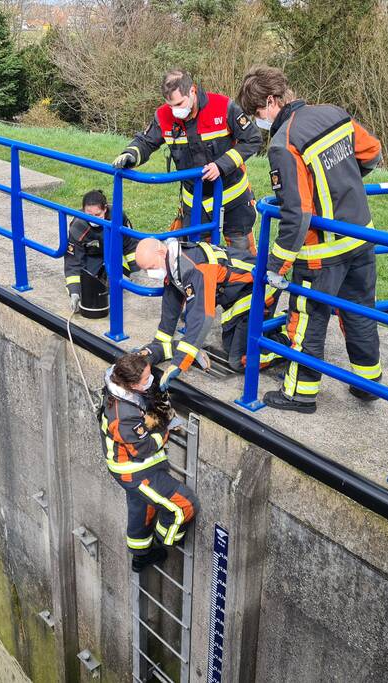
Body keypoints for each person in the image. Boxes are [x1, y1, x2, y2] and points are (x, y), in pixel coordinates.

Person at [235, 65, 383, 414]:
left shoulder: (284, 143)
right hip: (361, 236)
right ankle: (368, 382)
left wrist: (276, 265)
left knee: (307, 314)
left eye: (258, 113)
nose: (260, 120)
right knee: (360, 309)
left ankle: (299, 394)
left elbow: (296, 213)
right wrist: (342, 178)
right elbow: (372, 153)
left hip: (322, 249)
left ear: (270, 102)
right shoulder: (333, 114)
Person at [112, 69, 262, 252]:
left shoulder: (223, 106)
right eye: (170, 105)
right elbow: (145, 141)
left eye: (179, 103)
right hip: (195, 202)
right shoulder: (163, 116)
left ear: (192, 91)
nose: (175, 111)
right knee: (194, 256)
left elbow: (252, 138)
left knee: (243, 257)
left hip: (234, 198)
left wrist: (222, 165)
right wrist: (130, 155)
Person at [133, 237, 284, 389]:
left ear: (160, 252)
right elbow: (170, 310)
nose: (150, 274)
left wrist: (178, 363)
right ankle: (272, 327)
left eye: (151, 267)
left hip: (260, 290)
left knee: (240, 360)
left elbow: (202, 317)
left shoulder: (195, 267)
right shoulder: (174, 263)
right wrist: (153, 349)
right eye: (146, 270)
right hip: (239, 294)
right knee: (230, 344)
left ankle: (288, 342)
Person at [100, 353, 198, 572]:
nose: (151, 379)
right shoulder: (123, 415)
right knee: (185, 505)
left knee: (141, 509)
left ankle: (140, 556)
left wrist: (189, 353)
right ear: (133, 384)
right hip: (135, 471)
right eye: (146, 379)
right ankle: (166, 540)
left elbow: (153, 350)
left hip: (127, 465)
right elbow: (142, 448)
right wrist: (164, 429)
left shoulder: (121, 377)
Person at [64, 189, 141, 313]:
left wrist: (136, 271)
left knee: (117, 286)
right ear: (83, 210)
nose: (94, 219)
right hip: (91, 257)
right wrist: (75, 292)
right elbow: (73, 262)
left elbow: (130, 244)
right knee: (89, 289)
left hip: (114, 254)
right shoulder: (78, 227)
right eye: (89, 215)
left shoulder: (117, 216)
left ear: (105, 209)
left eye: (98, 215)